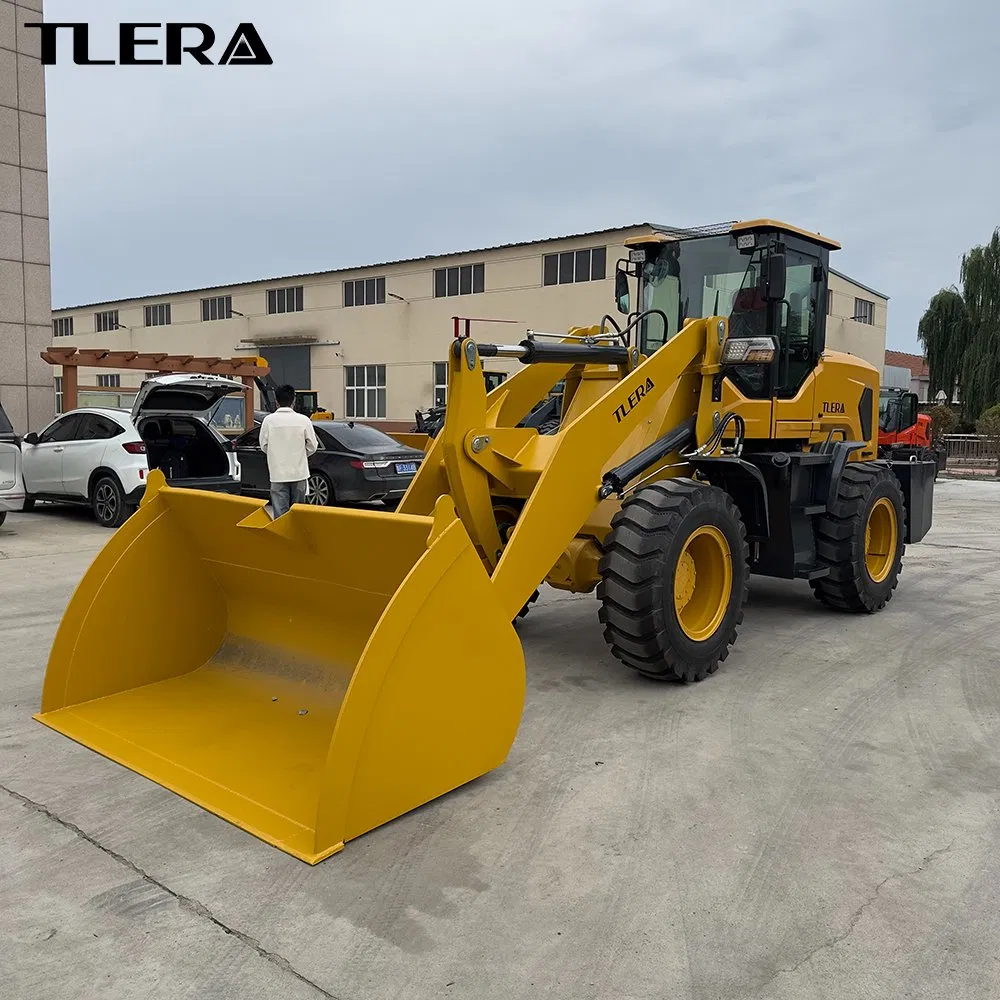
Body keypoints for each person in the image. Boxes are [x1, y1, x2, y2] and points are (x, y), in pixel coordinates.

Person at [259, 384, 319, 517]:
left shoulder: (268, 421)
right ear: (294, 400)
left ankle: (281, 536)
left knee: (280, 515)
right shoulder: (304, 420)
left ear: (276, 401)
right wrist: (301, 455)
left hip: (278, 473)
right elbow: (313, 446)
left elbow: (264, 445)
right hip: (299, 473)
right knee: (298, 514)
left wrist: (276, 453)